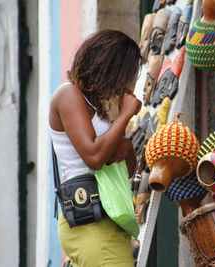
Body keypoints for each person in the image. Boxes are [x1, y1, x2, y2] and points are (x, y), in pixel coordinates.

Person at [49, 30, 142, 267]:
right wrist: (126, 114)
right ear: (107, 67)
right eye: (124, 75)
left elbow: (126, 167)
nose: (124, 85)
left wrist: (123, 141)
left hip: (108, 218)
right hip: (90, 222)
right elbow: (94, 156)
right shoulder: (68, 94)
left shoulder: (98, 108)